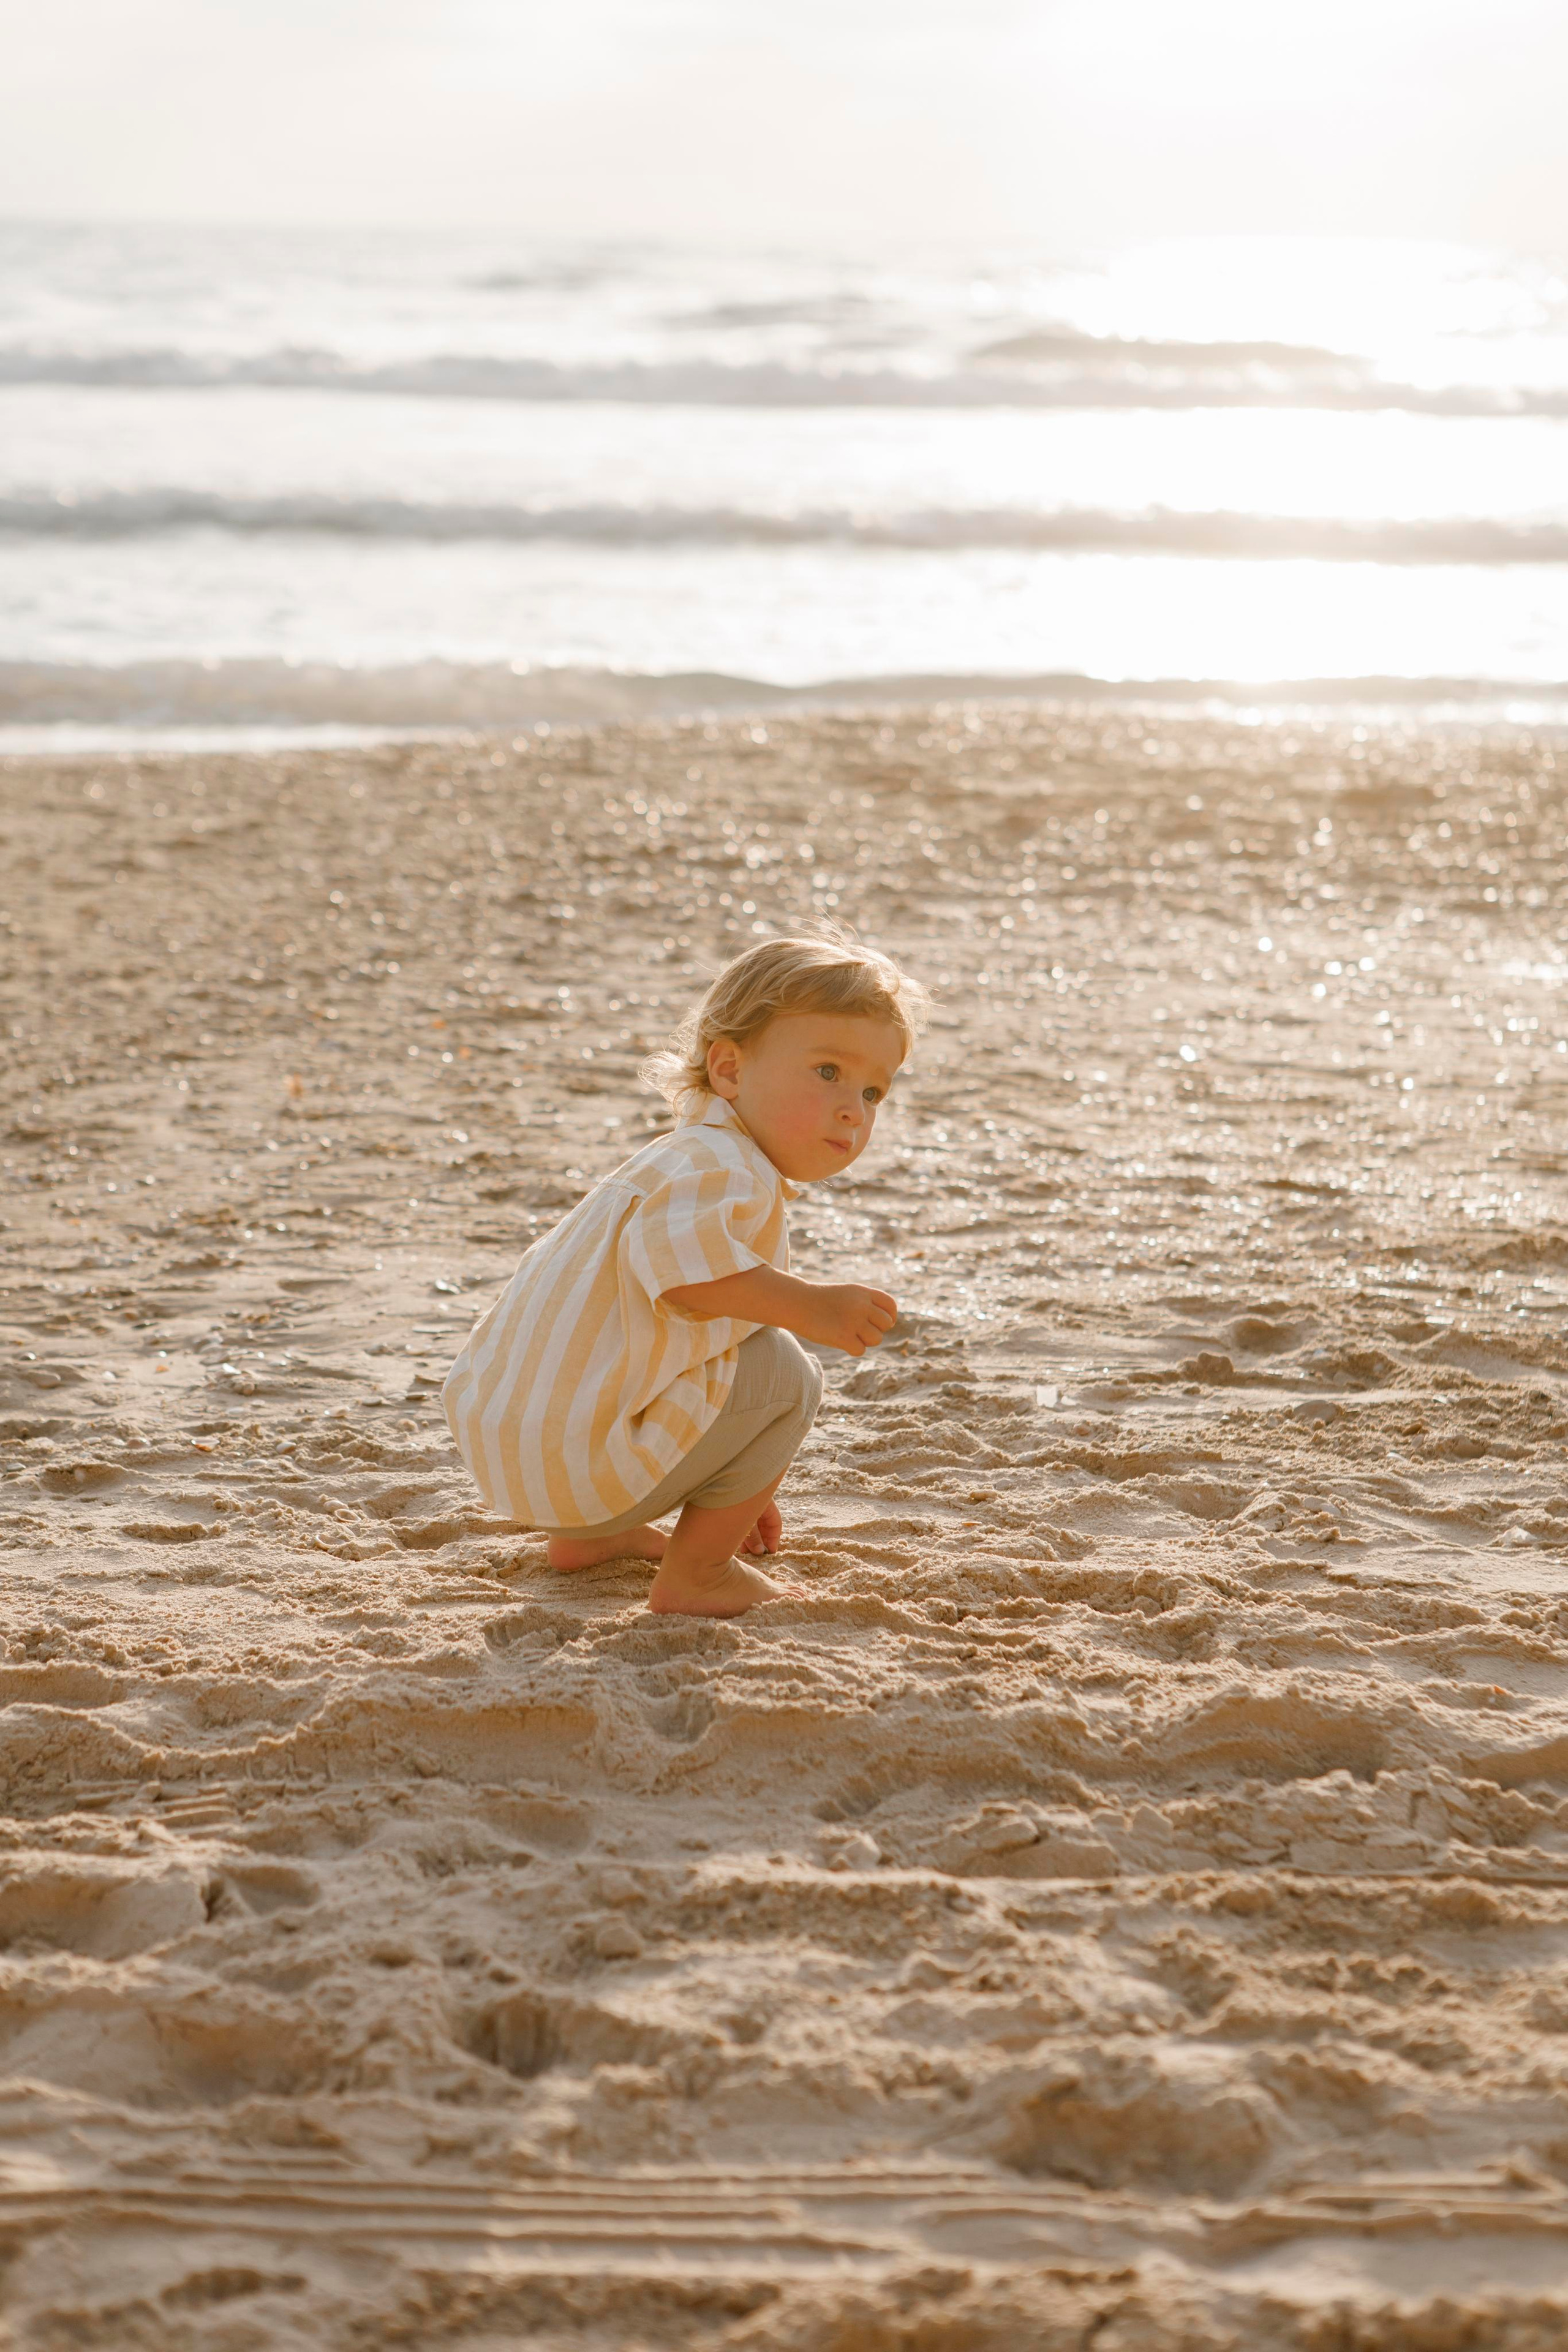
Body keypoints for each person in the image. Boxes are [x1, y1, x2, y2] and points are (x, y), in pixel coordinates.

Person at [442, 932, 929, 1616]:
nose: (853, 1107)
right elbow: (686, 1278)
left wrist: (736, 1478)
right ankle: (698, 1572)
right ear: (727, 1070)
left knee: (744, 1362)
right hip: (577, 1462)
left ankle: (592, 1540)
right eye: (827, 1072)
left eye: (873, 1090)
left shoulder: (679, 1159)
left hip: (520, 1454)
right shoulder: (719, 1168)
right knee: (786, 1373)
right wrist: (810, 1306)